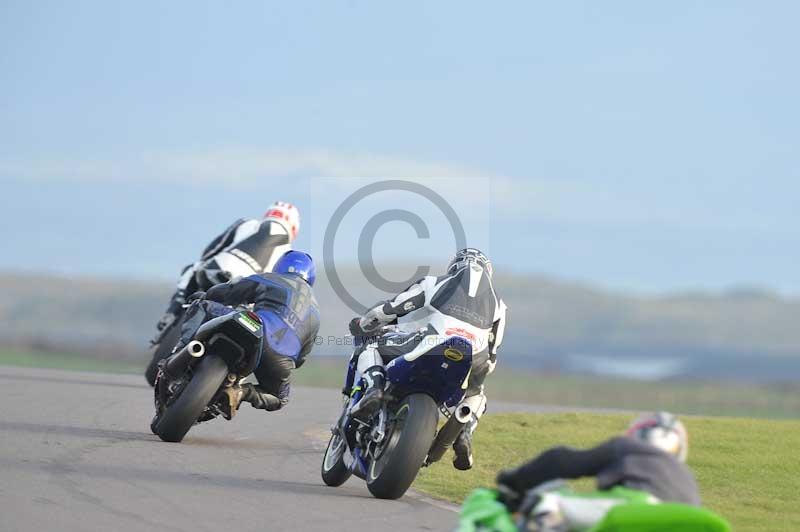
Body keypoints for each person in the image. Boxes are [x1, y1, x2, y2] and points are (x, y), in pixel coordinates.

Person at [347, 248, 507, 471]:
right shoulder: (500, 305)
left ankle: (374, 390)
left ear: (454, 266)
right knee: (477, 397)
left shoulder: (435, 282)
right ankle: (466, 431)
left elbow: (390, 309)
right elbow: (492, 356)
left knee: (372, 345)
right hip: (473, 358)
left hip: (433, 344)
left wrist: (364, 324)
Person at [146, 201, 300, 385]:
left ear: (268, 214)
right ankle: (235, 379)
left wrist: (205, 263)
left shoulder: (245, 224)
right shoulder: (288, 253)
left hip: (216, 269)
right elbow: (274, 284)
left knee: (191, 269)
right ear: (294, 229)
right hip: (245, 288)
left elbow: (212, 249)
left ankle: (171, 314)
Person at [494, 412, 701, 529]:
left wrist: (512, 481)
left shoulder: (625, 447)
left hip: (629, 508)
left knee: (546, 506)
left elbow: (562, 461)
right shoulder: (688, 480)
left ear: (637, 435)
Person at [176, 250, 320, 412]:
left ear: (280, 266)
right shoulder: (316, 313)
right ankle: (241, 392)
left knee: (201, 306)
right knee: (279, 398)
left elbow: (231, 291)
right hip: (281, 359)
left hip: (255, 326)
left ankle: (181, 351)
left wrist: (207, 295)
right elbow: (300, 359)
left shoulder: (272, 278)